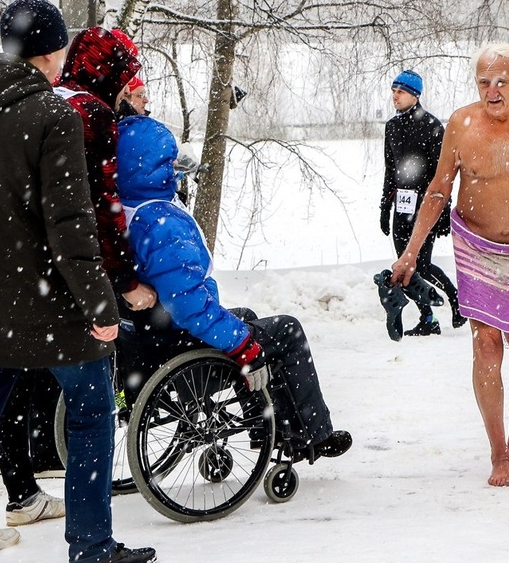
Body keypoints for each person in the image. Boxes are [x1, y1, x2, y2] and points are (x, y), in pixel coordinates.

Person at [0, 0, 156, 563]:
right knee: (92, 413)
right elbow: (71, 224)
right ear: (51, 51)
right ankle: (90, 547)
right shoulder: (53, 115)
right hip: (53, 306)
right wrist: (100, 305)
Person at [390, 43, 509, 487]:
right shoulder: (462, 124)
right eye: (484, 82)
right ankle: (499, 454)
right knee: (486, 346)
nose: (493, 91)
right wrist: (411, 251)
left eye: (502, 81)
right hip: (474, 244)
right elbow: (440, 189)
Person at [115, 113, 352, 462]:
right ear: (155, 167)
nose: (175, 169)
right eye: (168, 162)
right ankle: (313, 434)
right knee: (286, 330)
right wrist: (242, 345)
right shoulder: (160, 224)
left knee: (248, 317)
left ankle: (267, 428)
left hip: (147, 343)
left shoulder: (121, 211)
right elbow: (190, 306)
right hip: (178, 344)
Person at [54, 27, 157, 312]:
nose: (126, 88)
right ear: (107, 71)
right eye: (123, 77)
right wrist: (127, 282)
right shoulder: (92, 112)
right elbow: (103, 203)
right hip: (78, 272)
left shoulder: (53, 98)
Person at [380, 69, 465, 335]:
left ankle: (455, 300)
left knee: (423, 265)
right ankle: (428, 319)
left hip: (425, 206)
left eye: (401, 92)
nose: (395, 96)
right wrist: (384, 206)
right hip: (401, 206)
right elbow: (390, 169)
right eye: (393, 91)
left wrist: (443, 211)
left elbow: (443, 174)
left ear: (414, 95)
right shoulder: (392, 127)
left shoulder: (431, 126)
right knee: (404, 265)